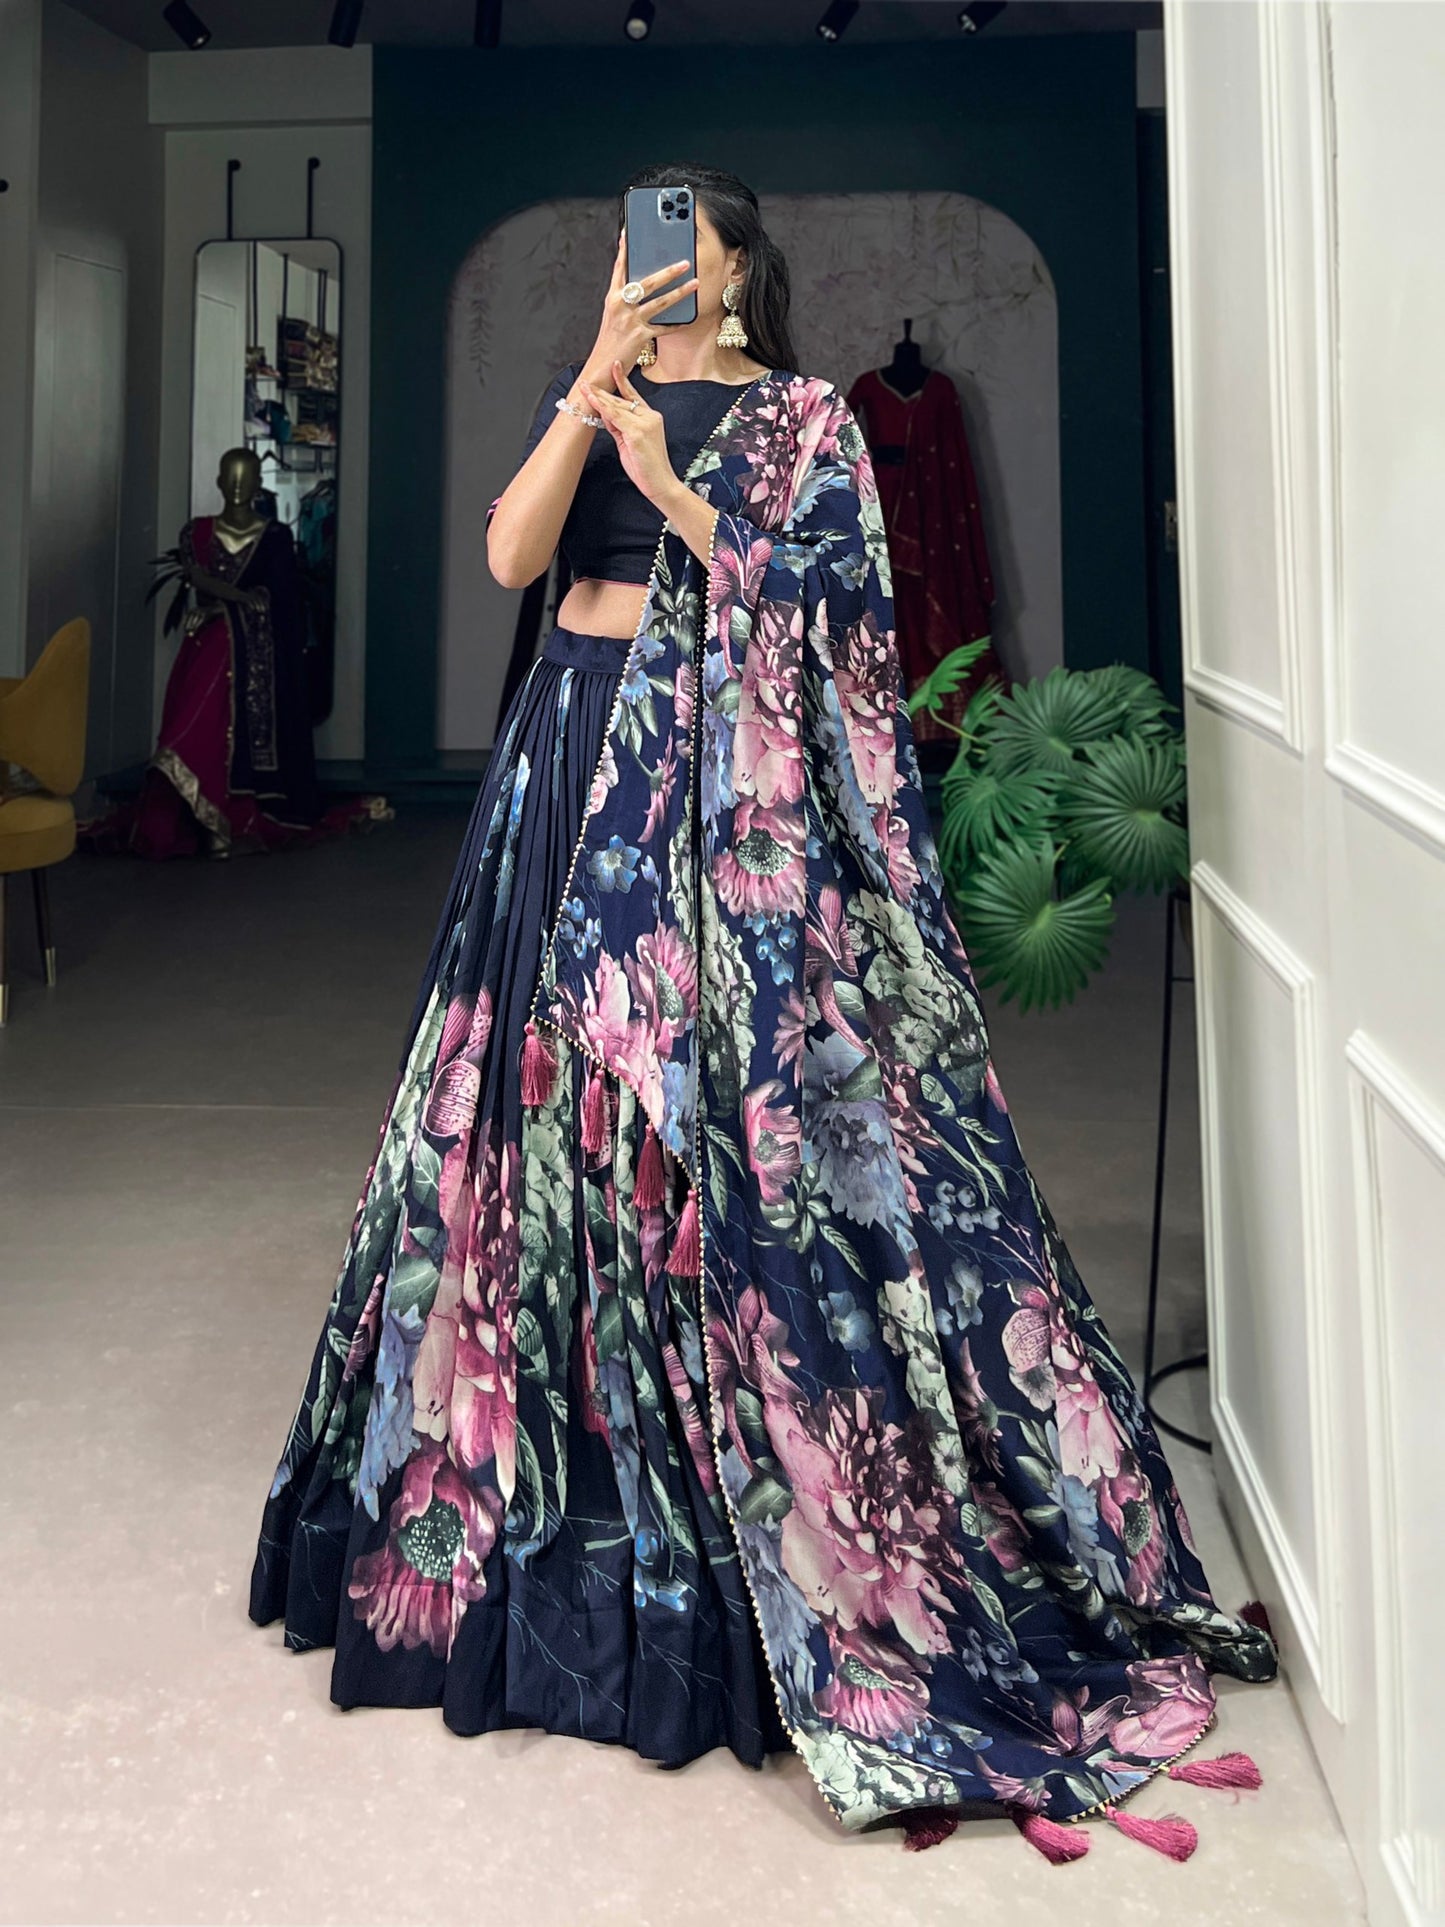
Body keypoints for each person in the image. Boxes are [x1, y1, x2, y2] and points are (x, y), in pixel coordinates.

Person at [249, 164, 1278, 1860]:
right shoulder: (592, 384)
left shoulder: (806, 421)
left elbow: (837, 631)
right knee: (532, 1115)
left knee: (689, 1125)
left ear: (736, 268)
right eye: (632, 244)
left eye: (681, 244)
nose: (651, 265)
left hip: (710, 799)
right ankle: (547, 1461)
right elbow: (512, 556)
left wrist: (679, 489)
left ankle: (715, 1499)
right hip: (565, 754)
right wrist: (592, 395)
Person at [80, 448, 386, 859]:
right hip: (210, 644)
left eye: (247, 477)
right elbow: (199, 580)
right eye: (231, 476)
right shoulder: (197, 534)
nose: (238, 485)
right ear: (220, 481)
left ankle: (227, 815)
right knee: (196, 711)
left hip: (254, 653)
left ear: (258, 483)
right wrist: (234, 602)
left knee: (220, 696)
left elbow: (278, 602)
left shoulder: (274, 538)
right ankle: (197, 805)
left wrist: (223, 608)